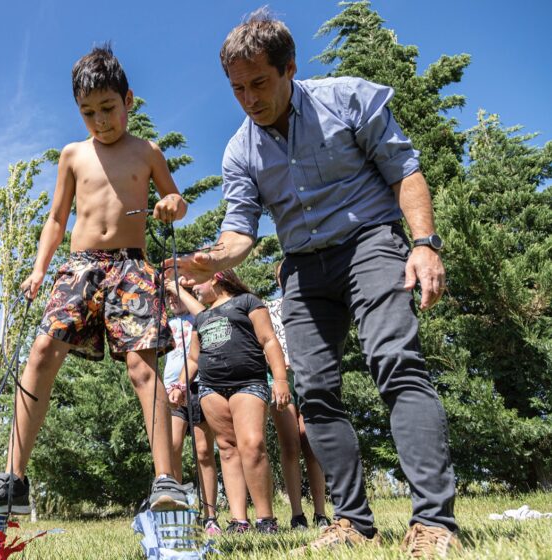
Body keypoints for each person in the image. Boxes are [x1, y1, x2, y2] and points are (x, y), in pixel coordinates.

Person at [174, 10, 461, 556]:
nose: (249, 99)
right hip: (303, 266)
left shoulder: (347, 99)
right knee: (315, 390)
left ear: (289, 68)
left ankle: (433, 522)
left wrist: (424, 244)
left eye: (259, 83)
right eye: (237, 89)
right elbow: (240, 231)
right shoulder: (240, 151)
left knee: (396, 363)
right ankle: (352, 522)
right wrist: (212, 260)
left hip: (371, 243)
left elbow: (404, 170)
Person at [0, 44, 189, 515]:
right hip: (80, 266)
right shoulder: (73, 155)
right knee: (41, 351)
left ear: (128, 100)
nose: (100, 121)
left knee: (142, 367)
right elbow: (57, 218)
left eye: (108, 108)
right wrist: (39, 268)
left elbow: (176, 200)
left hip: (131, 266)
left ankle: (167, 481)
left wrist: (171, 205)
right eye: (88, 112)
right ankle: (13, 479)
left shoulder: (147, 152)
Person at [169, 270, 290, 534]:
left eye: (198, 281)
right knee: (226, 449)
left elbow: (269, 340)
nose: (194, 287)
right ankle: (238, 520)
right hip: (211, 388)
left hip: (249, 382)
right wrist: (179, 385)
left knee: (253, 444)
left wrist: (280, 379)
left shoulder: (247, 301)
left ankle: (266, 519)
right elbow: (193, 359)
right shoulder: (202, 317)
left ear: (216, 277)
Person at [266, 260, 329, 530]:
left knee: (311, 441)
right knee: (290, 443)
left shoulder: (312, 303)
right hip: (279, 379)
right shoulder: (268, 308)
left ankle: (321, 512)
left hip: (310, 375)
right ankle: (296, 514)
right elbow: (263, 342)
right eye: (284, 274)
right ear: (279, 280)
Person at [162, 279, 220, 535]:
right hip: (171, 391)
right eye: (169, 296)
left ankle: (210, 516)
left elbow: (205, 314)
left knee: (204, 452)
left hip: (198, 386)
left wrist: (179, 289)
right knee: (172, 447)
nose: (172, 299)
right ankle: (179, 510)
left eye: (176, 295)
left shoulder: (197, 315)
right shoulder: (165, 321)